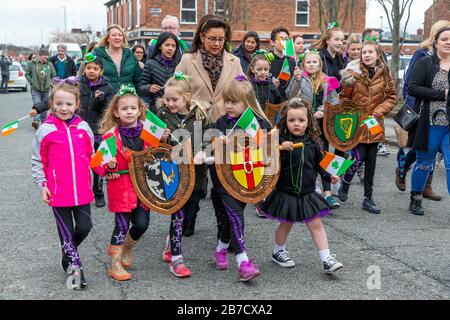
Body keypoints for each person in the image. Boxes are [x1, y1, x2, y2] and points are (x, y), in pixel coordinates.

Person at [260, 98, 344, 273]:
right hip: (285, 192)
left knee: (316, 224)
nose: (296, 124)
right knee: (286, 224)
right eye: (291, 120)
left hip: (307, 193)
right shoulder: (280, 141)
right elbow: (267, 158)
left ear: (308, 121)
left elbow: (320, 165)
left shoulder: (313, 142)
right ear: (285, 121)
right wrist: (281, 147)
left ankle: (326, 259)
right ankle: (278, 251)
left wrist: (331, 175)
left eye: (301, 120)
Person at [31, 81, 95, 290]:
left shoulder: (84, 128)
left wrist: (106, 165)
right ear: (52, 104)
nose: (64, 108)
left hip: (83, 191)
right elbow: (37, 161)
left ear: (77, 104)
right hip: (58, 193)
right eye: (59, 103)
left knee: (85, 228)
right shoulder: (45, 130)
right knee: (66, 232)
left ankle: (67, 250)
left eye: (69, 104)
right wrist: (43, 185)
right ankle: (76, 273)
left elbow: (92, 156)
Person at [209, 75, 271, 282]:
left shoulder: (259, 123)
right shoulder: (220, 122)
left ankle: (221, 248)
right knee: (236, 216)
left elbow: (267, 148)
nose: (228, 106)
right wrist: (220, 142)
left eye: (233, 102)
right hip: (224, 179)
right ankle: (243, 262)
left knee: (231, 217)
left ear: (247, 103)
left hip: (249, 178)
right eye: (226, 101)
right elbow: (211, 148)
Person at [94, 84, 151, 281]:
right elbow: (96, 164)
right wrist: (108, 166)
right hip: (121, 187)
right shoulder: (111, 137)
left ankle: (127, 248)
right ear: (116, 112)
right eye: (124, 108)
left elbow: (158, 155)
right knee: (121, 226)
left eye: (133, 108)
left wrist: (165, 139)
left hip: (144, 188)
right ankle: (115, 264)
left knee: (142, 224)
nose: (129, 112)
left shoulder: (149, 132)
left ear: (139, 110)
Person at [158, 72, 213, 277]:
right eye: (167, 99)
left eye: (174, 99)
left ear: (187, 98)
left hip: (197, 176)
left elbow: (209, 139)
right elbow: (150, 145)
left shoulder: (200, 115)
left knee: (188, 216)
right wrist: (161, 139)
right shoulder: (161, 117)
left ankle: (170, 242)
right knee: (178, 217)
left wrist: (203, 151)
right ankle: (177, 259)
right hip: (172, 175)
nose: (170, 103)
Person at [337, 39, 397, 214]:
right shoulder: (352, 75)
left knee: (371, 162)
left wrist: (378, 112)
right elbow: (344, 99)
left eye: (371, 52)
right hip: (357, 125)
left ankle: (368, 198)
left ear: (377, 55)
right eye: (364, 52)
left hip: (375, 124)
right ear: (360, 56)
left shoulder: (385, 73)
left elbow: (392, 97)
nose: (367, 55)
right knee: (357, 159)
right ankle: (346, 183)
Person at [395, 20, 450, 200]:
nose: (448, 42)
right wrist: (443, 94)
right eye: (444, 39)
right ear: (435, 42)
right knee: (425, 162)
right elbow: (413, 88)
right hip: (430, 123)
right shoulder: (426, 62)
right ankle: (416, 196)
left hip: (449, 125)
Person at [286, 50, 341, 209]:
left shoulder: (328, 80)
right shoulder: (299, 78)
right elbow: (289, 97)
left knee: (323, 158)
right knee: (306, 158)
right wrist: (295, 81)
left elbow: (335, 102)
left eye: (314, 62)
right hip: (305, 126)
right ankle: (306, 191)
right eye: (308, 62)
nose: (311, 65)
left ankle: (328, 195)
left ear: (319, 64)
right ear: (304, 64)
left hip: (323, 126)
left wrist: (323, 111)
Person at [176, 15, 243, 123]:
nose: (217, 44)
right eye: (212, 39)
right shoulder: (187, 60)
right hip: (195, 125)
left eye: (221, 39)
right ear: (202, 37)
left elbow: (243, 94)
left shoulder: (235, 62)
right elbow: (175, 92)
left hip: (225, 125)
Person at [94, 24, 142, 93]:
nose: (117, 37)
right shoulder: (98, 55)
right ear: (107, 38)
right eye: (113, 35)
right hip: (105, 99)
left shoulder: (131, 55)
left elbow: (138, 81)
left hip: (127, 99)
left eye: (120, 35)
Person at [139, 32, 180, 112]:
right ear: (160, 46)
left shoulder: (180, 64)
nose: (170, 48)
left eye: (173, 46)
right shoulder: (150, 63)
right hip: (156, 110)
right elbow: (141, 87)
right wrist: (149, 88)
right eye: (167, 45)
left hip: (175, 110)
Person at [26, 47, 56, 129]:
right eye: (44, 56)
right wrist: (32, 82)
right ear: (39, 56)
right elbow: (27, 74)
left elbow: (53, 75)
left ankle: (43, 122)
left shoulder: (49, 64)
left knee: (44, 105)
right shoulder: (31, 63)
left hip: (46, 89)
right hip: (35, 88)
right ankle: (36, 121)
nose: (46, 57)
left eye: (47, 56)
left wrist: (50, 82)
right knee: (37, 103)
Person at [269, 27, 296, 101]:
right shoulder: (266, 59)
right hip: (270, 103)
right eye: (281, 39)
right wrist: (271, 85)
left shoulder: (292, 61)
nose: (284, 41)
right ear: (272, 42)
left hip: (288, 102)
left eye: (286, 39)